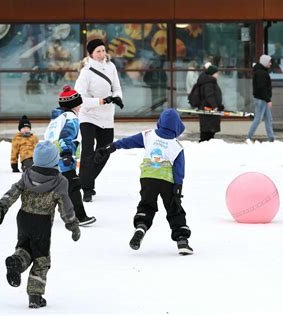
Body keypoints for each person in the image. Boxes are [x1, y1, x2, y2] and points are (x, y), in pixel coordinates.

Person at [0, 141, 81, 309]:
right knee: (41, 260)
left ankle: (17, 262)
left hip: (24, 219)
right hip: (42, 224)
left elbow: (14, 190)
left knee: (25, 248)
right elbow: (66, 205)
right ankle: (35, 296)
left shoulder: (27, 174)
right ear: (54, 161)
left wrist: (1, 206)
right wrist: (72, 224)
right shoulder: (59, 181)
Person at [94, 109, 193, 255]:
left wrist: (110, 148)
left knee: (147, 205)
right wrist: (178, 189)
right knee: (174, 209)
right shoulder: (176, 146)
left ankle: (141, 226)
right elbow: (179, 170)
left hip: (148, 179)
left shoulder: (148, 135)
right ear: (177, 126)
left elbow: (128, 142)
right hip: (168, 182)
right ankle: (182, 240)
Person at [75, 38, 124, 202]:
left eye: (103, 50)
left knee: (105, 151)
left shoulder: (111, 66)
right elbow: (78, 98)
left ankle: (84, 180)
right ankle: (87, 189)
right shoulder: (86, 71)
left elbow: (116, 87)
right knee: (88, 152)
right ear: (91, 54)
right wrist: (101, 101)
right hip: (88, 115)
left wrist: (117, 98)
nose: (102, 54)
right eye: (98, 51)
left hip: (106, 116)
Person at [46, 85, 96, 226]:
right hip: (63, 158)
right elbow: (65, 137)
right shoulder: (71, 118)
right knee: (73, 185)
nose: (81, 106)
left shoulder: (58, 117)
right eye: (79, 104)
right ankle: (79, 217)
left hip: (51, 157)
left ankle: (40, 213)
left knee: (56, 186)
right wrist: (67, 153)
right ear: (74, 105)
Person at [194, 62, 224, 142]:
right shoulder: (209, 83)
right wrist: (215, 106)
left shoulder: (209, 81)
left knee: (209, 132)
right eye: (216, 73)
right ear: (212, 73)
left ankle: (206, 146)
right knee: (207, 133)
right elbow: (209, 96)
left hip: (209, 111)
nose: (218, 74)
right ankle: (204, 147)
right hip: (208, 110)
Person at [247, 54, 275, 142]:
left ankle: (271, 138)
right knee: (258, 119)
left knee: (268, 118)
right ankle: (249, 137)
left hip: (263, 99)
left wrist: (267, 99)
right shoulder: (261, 73)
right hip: (261, 99)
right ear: (265, 62)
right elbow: (261, 88)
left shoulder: (262, 71)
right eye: (269, 62)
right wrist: (268, 100)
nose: (270, 64)